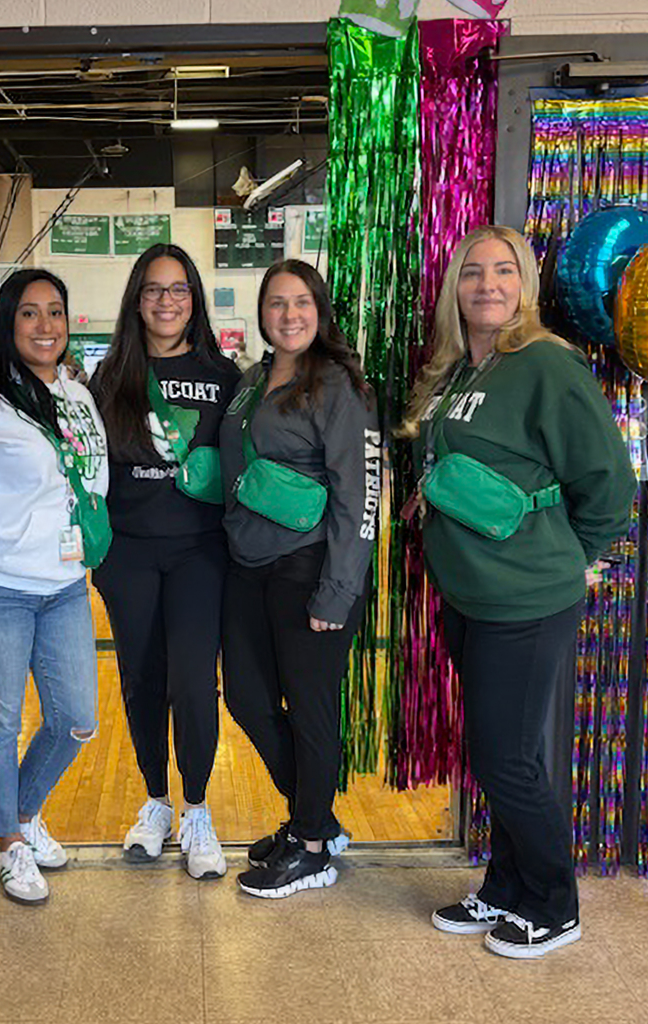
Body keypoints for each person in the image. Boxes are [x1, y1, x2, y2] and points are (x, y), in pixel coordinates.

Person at [401, 226, 636, 957]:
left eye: (505, 271)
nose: (489, 286)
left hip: (526, 598)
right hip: (470, 594)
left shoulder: (546, 364)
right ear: (454, 288)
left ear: (525, 285)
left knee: (508, 757)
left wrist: (572, 557)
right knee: (498, 750)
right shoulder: (457, 371)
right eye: (473, 272)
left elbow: (609, 484)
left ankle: (553, 901)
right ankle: (506, 887)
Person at [0, 269, 107, 905]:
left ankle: (24, 812)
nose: (44, 325)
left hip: (63, 587)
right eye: (29, 313)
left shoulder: (76, 397)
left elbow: (92, 476)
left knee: (77, 719)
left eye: (55, 312)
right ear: (8, 324)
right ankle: (7, 844)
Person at [219, 258, 379, 899]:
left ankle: (311, 846)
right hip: (247, 565)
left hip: (310, 567)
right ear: (262, 312)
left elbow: (359, 495)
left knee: (310, 709)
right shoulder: (253, 380)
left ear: (320, 310)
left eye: (302, 303)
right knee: (248, 700)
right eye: (277, 303)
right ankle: (315, 816)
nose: (289, 315)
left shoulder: (339, 384)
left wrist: (337, 590)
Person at [90, 243, 240, 879]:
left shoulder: (226, 376)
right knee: (141, 680)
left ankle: (198, 809)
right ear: (136, 299)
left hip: (200, 553)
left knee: (192, 683)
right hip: (128, 553)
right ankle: (156, 802)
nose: (167, 300)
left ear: (194, 298)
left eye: (179, 289)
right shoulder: (109, 378)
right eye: (154, 289)